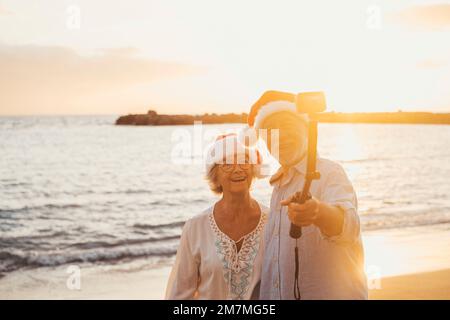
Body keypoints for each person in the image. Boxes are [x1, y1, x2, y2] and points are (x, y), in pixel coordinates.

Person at [244, 90, 368, 299]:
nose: (280, 136)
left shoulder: (329, 172)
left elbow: (348, 226)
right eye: (271, 132)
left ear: (307, 129)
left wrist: (318, 212)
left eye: (287, 126)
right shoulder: (278, 187)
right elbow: (274, 268)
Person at [165, 133, 269, 299]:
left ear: (253, 168)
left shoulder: (272, 222)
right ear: (215, 175)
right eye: (227, 164)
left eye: (244, 161)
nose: (237, 169)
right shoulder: (195, 227)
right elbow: (180, 293)